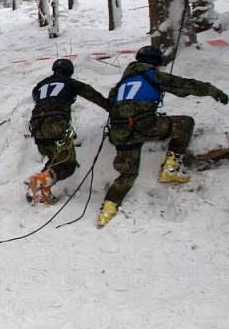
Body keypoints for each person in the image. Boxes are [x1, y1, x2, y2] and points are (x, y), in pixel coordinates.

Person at [97, 46, 228, 227]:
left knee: (128, 173)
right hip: (145, 125)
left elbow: (112, 104)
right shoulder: (152, 75)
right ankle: (170, 169)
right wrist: (214, 92)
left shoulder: (121, 83)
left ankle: (108, 209)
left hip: (120, 132)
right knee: (185, 123)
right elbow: (185, 85)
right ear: (156, 63)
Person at [26, 59, 111, 204]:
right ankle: (38, 181)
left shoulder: (40, 85)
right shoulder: (70, 82)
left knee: (55, 158)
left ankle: (39, 190)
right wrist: (110, 107)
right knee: (68, 165)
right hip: (56, 124)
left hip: (36, 126)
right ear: (69, 71)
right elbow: (90, 93)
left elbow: (36, 97)